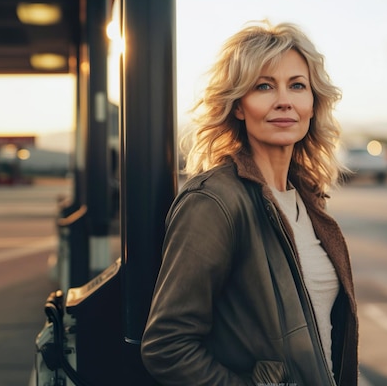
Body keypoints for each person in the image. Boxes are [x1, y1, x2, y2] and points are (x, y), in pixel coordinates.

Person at [141, 20, 358, 386]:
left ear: (312, 103)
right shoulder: (214, 201)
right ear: (239, 106)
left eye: (297, 86)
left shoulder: (304, 198)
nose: (284, 101)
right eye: (263, 86)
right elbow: (167, 345)